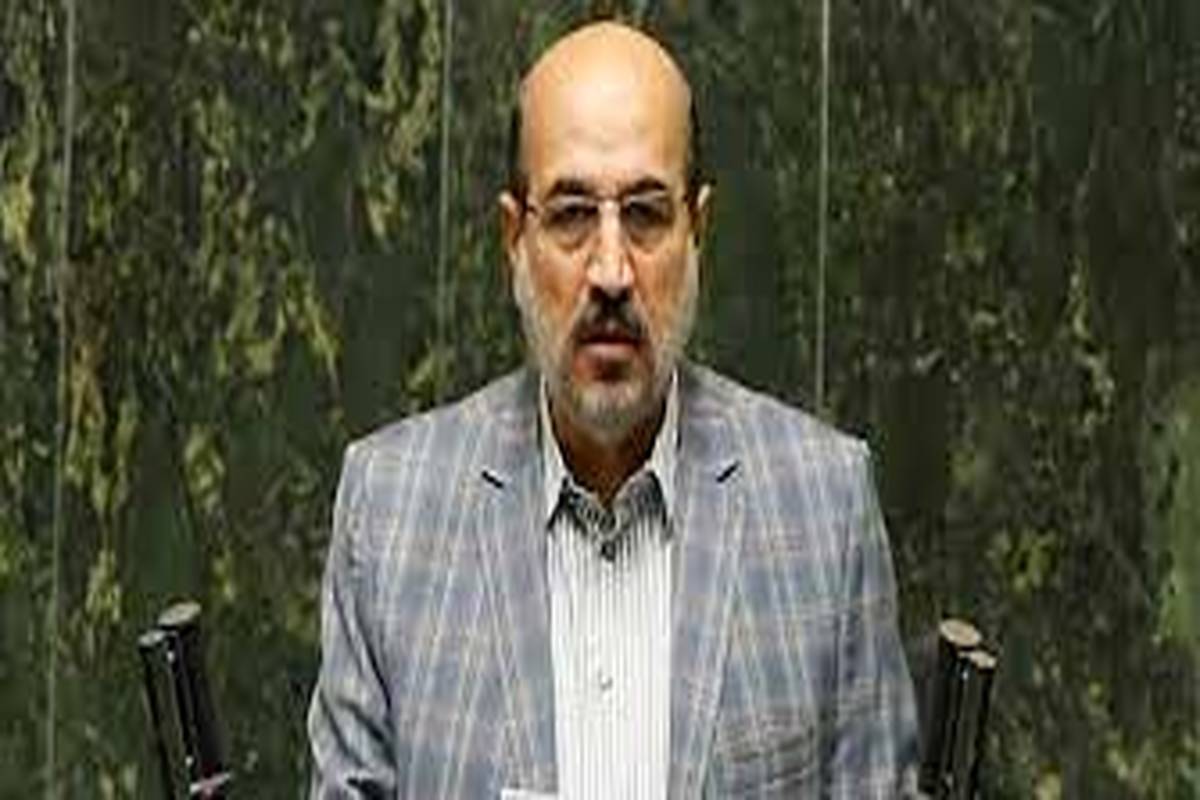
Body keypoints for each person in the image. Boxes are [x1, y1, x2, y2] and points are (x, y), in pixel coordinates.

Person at [307, 19, 919, 799]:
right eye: (570, 214)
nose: (610, 271)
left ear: (697, 231)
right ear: (513, 239)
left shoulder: (823, 509)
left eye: (645, 213)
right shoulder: (391, 514)